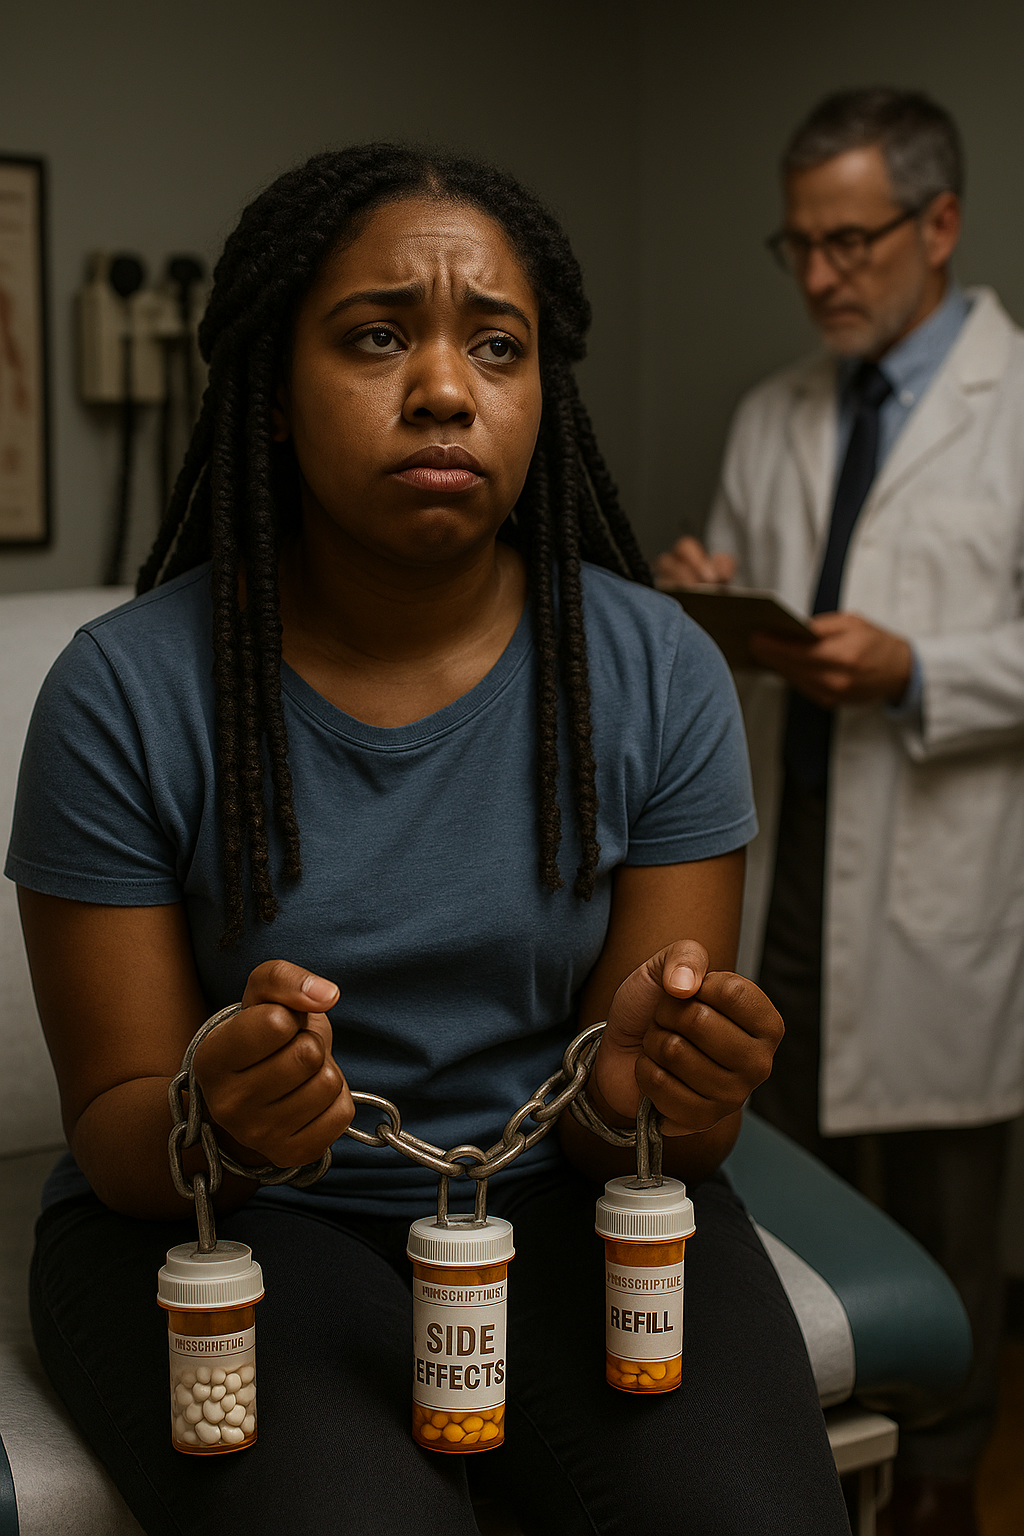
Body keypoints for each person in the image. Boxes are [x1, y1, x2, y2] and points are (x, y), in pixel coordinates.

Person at [5, 145, 850, 1536]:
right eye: (378, 335)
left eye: (497, 346)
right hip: (225, 1222)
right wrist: (218, 1114)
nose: (446, 387)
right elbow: (119, 1134)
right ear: (272, 392)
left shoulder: (654, 675)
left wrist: (661, 1096)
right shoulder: (124, 692)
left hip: (562, 1202)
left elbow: (631, 1128)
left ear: (538, 394)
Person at [656, 89, 1024, 1536]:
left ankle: (937, 1486)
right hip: (781, 862)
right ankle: (787, 1460)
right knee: (761, 1176)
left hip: (943, 882)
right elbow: (747, 631)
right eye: (796, 245)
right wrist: (705, 608)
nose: (818, 277)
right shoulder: (775, 412)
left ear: (938, 227)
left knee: (944, 1213)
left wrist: (920, 666)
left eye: (850, 241)